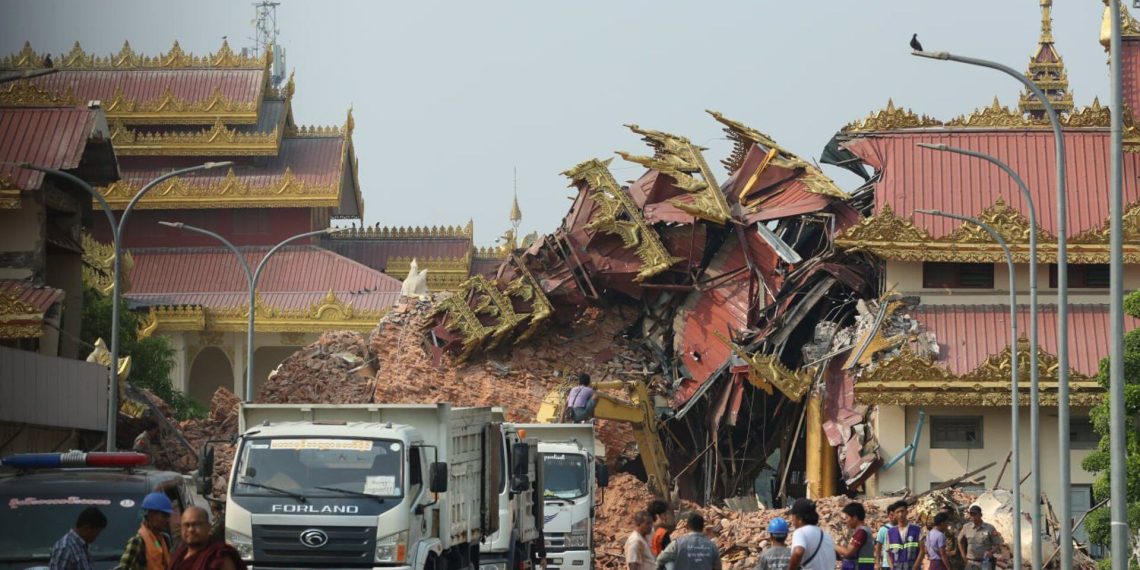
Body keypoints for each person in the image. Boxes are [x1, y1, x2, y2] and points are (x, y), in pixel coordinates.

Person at [169, 507, 245, 570]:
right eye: (186, 525)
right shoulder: (179, 554)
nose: (191, 529)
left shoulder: (219, 555)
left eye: (197, 524)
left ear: (208, 527)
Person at [119, 492, 174, 570]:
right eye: (164, 516)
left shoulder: (164, 539)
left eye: (168, 516)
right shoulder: (137, 541)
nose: (167, 520)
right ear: (151, 515)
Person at [657, 512, 722, 570]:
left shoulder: (677, 544)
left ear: (687, 526)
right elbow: (718, 567)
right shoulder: (712, 546)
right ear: (702, 527)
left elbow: (660, 560)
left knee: (669, 560)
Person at [785, 499, 835, 570]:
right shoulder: (826, 535)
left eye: (793, 516)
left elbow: (798, 552)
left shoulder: (800, 532)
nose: (792, 519)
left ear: (799, 518)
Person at [957, 505, 1002, 570]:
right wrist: (963, 555)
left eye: (975, 514)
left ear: (980, 515)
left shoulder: (989, 528)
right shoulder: (966, 527)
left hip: (985, 562)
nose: (973, 516)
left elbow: (997, 544)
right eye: (971, 514)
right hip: (971, 562)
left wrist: (991, 552)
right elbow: (959, 540)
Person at [835, 502, 875, 570]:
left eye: (847, 517)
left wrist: (831, 544)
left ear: (855, 518)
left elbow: (848, 553)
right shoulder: (860, 532)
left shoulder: (861, 532)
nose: (846, 521)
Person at [886, 500, 924, 570]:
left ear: (907, 512)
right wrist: (892, 567)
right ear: (894, 515)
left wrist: (915, 567)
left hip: (912, 566)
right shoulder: (890, 532)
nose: (900, 514)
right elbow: (888, 552)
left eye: (902, 511)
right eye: (898, 512)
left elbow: (922, 550)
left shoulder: (917, 530)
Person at [875, 503, 898, 570]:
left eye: (895, 514)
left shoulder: (903, 528)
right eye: (891, 515)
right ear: (888, 515)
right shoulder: (883, 529)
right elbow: (878, 547)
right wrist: (878, 563)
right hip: (887, 564)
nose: (894, 517)